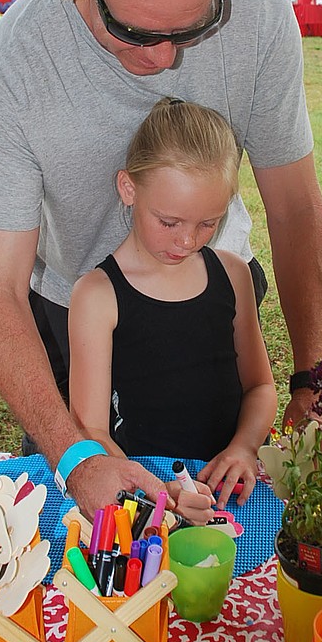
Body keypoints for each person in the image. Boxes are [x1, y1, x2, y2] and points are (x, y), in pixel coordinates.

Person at [0, 0, 322, 519]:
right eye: (134, 32)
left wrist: (311, 378)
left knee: (220, 515)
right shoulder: (17, 62)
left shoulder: (260, 18)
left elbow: (296, 207)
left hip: (213, 291)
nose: (165, 59)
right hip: (72, 309)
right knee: (84, 524)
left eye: (191, 27)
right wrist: (75, 453)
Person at [68, 98, 278, 514]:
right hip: (141, 490)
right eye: (169, 222)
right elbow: (90, 427)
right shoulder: (97, 295)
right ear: (128, 189)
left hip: (231, 491)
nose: (187, 241)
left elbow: (260, 387)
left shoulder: (233, 275)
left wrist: (244, 447)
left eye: (207, 223)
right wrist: (157, 493)